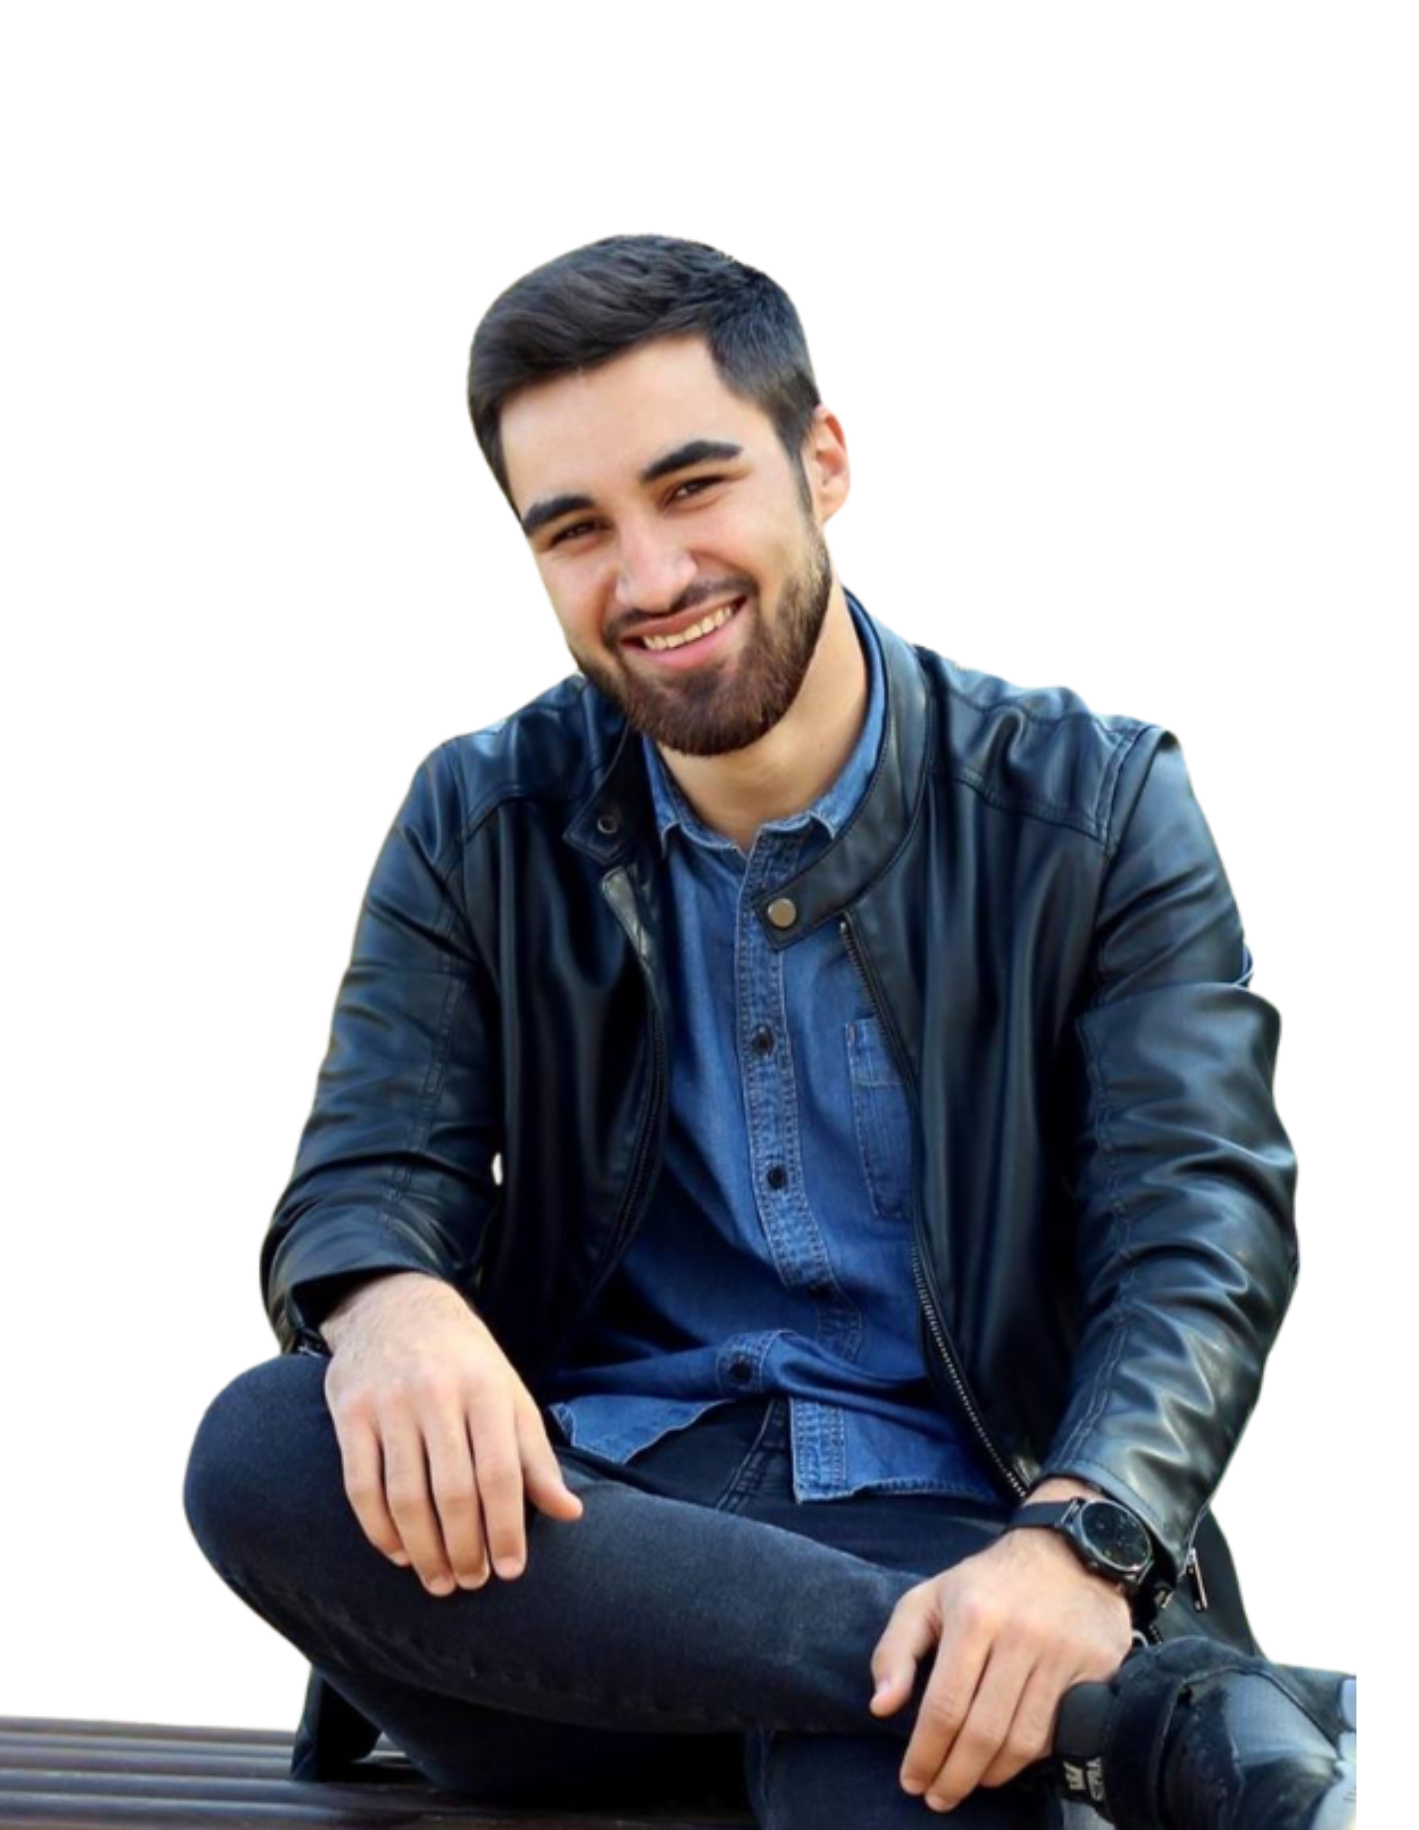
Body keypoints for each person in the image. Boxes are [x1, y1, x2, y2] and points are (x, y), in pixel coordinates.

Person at [183, 234, 1356, 1829]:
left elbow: (1196, 1225)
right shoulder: (479, 815)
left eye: (693, 487)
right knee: (264, 1448)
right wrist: (389, 1300)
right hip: (592, 1556)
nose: (649, 577)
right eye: (576, 529)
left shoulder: (1088, 806)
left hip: (962, 1519)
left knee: (903, 1768)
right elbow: (368, 1167)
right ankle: (1114, 1714)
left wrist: (1076, 1539)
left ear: (822, 461)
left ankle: (951, 1681)